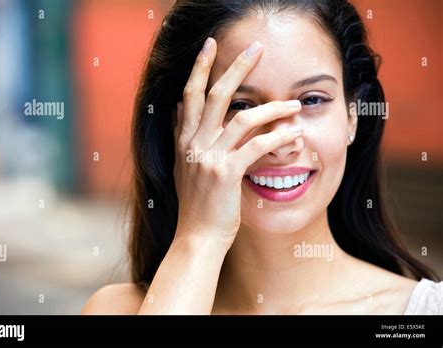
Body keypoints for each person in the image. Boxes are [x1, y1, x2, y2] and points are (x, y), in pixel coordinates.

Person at [83, 0, 441, 315]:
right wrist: (200, 237)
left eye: (313, 99)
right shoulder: (118, 310)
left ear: (352, 116)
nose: (280, 142)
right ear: (183, 128)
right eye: (240, 106)